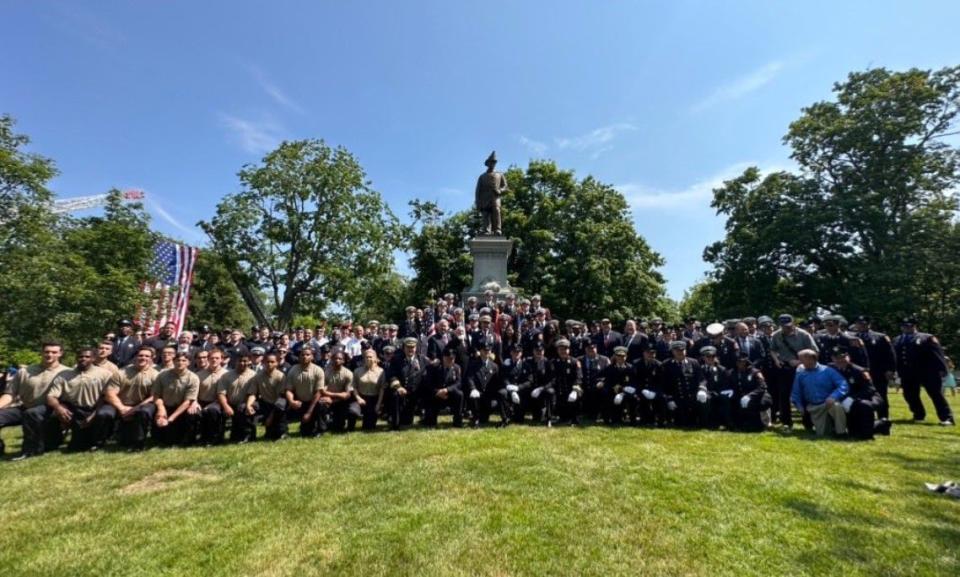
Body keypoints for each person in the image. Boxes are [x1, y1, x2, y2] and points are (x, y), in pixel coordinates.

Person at [0, 341, 69, 459]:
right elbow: (10, 394)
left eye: (54, 352)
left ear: (60, 353)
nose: (49, 355)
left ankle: (30, 451)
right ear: (41, 352)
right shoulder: (25, 372)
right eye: (46, 352)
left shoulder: (68, 372)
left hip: (50, 411)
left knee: (49, 443)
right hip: (25, 407)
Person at [44, 347, 114, 452]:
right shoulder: (64, 375)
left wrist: (93, 415)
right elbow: (51, 396)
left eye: (87, 356)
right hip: (74, 410)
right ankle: (54, 442)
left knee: (105, 414)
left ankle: (99, 441)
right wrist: (59, 408)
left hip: (96, 408)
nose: (83, 359)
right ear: (76, 358)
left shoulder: (105, 374)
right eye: (81, 356)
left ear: (94, 358)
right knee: (76, 446)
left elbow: (106, 397)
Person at [894, 317, 954, 426]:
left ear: (914, 326)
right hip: (907, 372)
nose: (907, 328)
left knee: (936, 395)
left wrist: (942, 369)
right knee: (910, 395)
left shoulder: (926, 337)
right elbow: (896, 356)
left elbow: (938, 354)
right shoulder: (898, 339)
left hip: (928, 372)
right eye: (904, 326)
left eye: (909, 326)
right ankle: (918, 415)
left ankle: (947, 418)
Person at [99, 346, 158, 451]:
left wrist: (134, 409)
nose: (143, 358)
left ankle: (139, 443)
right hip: (119, 404)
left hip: (141, 405)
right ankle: (100, 441)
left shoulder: (155, 375)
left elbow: (153, 396)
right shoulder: (121, 372)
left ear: (151, 358)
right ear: (135, 356)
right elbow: (110, 393)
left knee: (145, 411)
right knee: (104, 413)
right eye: (140, 355)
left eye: (147, 356)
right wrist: (122, 408)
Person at [829, 347, 891, 439]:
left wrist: (852, 398)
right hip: (847, 401)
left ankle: (873, 430)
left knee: (863, 406)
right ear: (833, 359)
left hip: (867, 398)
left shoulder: (859, 371)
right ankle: (881, 424)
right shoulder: (830, 369)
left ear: (848, 357)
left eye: (843, 357)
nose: (841, 360)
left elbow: (869, 389)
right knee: (853, 432)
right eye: (837, 358)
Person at [769, 314, 818, 430]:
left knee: (805, 395)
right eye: (783, 326)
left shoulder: (804, 335)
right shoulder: (776, 335)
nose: (786, 328)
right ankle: (786, 422)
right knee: (784, 396)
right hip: (784, 369)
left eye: (788, 326)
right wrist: (776, 360)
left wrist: (800, 362)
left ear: (793, 323)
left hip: (802, 369)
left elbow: (815, 352)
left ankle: (808, 422)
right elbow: (772, 349)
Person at [790, 349, 848, 437]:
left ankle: (841, 433)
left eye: (801, 359)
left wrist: (834, 396)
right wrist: (799, 406)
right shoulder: (800, 374)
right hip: (814, 407)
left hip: (828, 402)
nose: (799, 362)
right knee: (823, 434)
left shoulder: (828, 370)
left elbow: (843, 384)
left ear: (810, 359)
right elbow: (796, 393)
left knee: (837, 406)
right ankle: (830, 427)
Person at [152, 352, 201, 446]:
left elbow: (188, 401)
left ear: (189, 363)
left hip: (182, 409)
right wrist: (161, 409)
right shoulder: (162, 375)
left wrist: (170, 419)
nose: (180, 362)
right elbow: (156, 395)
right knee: (166, 440)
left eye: (184, 360)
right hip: (165, 407)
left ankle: (189, 440)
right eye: (178, 360)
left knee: (194, 413)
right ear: (173, 361)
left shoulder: (193, 378)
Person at [384, 337, 429, 430]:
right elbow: (391, 375)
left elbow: (427, 374)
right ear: (404, 348)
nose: (410, 349)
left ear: (416, 348)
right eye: (408, 347)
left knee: (407, 421)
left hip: (416, 392)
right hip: (402, 391)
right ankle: (395, 424)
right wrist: (398, 387)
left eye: (412, 347)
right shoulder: (396, 359)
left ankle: (427, 418)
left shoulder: (422, 359)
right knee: (395, 395)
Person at [284, 347, 328, 437]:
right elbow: (288, 390)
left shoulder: (318, 370)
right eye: (302, 355)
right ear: (299, 357)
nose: (305, 357)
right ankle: (283, 431)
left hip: (314, 402)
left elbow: (319, 392)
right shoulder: (293, 370)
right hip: (300, 402)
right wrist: (292, 402)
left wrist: (309, 412)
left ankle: (321, 429)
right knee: (306, 431)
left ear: (312, 357)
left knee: (322, 403)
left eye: (308, 355)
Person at [660, 340, 705, 428]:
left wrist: (701, 390)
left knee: (694, 421)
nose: (680, 352)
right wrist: (669, 399)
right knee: (680, 422)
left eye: (682, 350)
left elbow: (701, 379)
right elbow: (663, 383)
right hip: (676, 398)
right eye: (677, 351)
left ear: (686, 351)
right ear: (673, 351)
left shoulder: (694, 362)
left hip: (692, 397)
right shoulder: (667, 364)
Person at [245, 352, 289, 440]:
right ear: (263, 362)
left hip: (277, 403)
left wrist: (270, 418)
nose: (269, 364)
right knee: (247, 408)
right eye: (267, 362)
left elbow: (281, 396)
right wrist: (248, 405)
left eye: (272, 362)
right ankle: (250, 435)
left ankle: (283, 432)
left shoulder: (281, 376)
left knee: (280, 406)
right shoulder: (258, 376)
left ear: (276, 363)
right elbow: (253, 393)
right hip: (265, 403)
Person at [216, 352, 258, 443]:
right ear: (235, 361)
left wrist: (248, 405)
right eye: (240, 361)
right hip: (230, 404)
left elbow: (253, 393)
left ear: (249, 362)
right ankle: (221, 437)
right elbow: (221, 393)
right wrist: (226, 406)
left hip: (248, 402)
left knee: (243, 408)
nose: (242, 363)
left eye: (245, 361)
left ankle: (248, 435)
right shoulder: (226, 375)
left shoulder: (254, 375)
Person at [729, 351, 772, 431]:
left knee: (762, 403)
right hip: (742, 396)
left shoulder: (755, 372)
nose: (740, 364)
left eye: (742, 362)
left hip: (758, 396)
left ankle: (762, 423)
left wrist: (750, 396)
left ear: (746, 362)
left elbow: (762, 387)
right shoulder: (732, 372)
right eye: (738, 361)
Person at [424, 347, 464, 428]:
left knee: (460, 394)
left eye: (452, 359)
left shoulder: (457, 368)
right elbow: (429, 383)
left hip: (450, 394)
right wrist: (437, 392)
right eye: (448, 359)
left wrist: (447, 390)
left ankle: (457, 420)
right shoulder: (434, 367)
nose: (450, 361)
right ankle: (431, 419)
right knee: (430, 422)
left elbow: (458, 383)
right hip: (436, 394)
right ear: (443, 358)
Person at [197, 348, 228, 444]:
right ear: (208, 359)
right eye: (211, 358)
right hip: (202, 401)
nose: (214, 360)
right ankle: (194, 438)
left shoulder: (227, 374)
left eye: (217, 358)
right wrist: (195, 402)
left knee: (213, 410)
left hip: (219, 402)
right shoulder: (199, 374)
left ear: (221, 359)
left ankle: (214, 438)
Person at [324, 351, 360, 432]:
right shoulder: (326, 372)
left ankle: (350, 427)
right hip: (332, 400)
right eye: (335, 358)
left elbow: (347, 395)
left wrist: (332, 398)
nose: (337, 360)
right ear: (332, 360)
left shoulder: (348, 374)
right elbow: (323, 390)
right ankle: (323, 425)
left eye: (340, 359)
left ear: (344, 361)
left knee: (352, 412)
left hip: (346, 402)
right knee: (321, 403)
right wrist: (327, 397)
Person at [600, 346, 637, 425]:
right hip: (613, 390)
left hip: (626, 391)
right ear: (615, 356)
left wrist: (623, 390)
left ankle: (632, 420)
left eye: (623, 356)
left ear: (626, 357)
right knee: (606, 395)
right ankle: (611, 419)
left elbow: (634, 382)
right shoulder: (609, 368)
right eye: (619, 356)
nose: (621, 358)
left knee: (633, 398)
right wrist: (612, 387)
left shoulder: (631, 368)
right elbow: (606, 380)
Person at [475, 150, 508, 235]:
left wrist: (500, 191)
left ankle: (498, 229)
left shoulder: (500, 175)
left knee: (496, 211)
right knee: (486, 213)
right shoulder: (482, 177)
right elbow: (478, 190)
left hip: (495, 197)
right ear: (488, 163)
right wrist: (478, 202)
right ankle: (486, 230)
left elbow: (505, 187)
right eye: (491, 162)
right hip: (485, 198)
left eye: (494, 162)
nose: (493, 164)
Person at [352, 348, 386, 431]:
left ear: (375, 358)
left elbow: (382, 389)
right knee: (352, 411)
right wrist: (358, 398)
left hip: (373, 399)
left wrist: (378, 404)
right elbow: (353, 387)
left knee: (369, 427)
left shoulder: (381, 372)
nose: (368, 359)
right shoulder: (357, 371)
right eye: (366, 357)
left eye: (370, 357)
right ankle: (350, 427)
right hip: (361, 398)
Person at [552, 339, 583, 426]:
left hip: (572, 388)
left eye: (565, 349)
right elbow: (553, 377)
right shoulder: (554, 362)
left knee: (575, 396)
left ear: (569, 350)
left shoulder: (575, 362)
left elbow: (579, 377)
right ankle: (562, 417)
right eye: (561, 349)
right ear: (557, 350)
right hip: (560, 388)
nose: (563, 351)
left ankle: (575, 419)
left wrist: (575, 389)